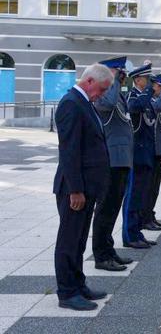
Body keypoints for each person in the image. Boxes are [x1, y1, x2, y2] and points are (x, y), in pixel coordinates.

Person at [53, 64, 113, 311]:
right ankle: (67, 292)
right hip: (74, 189)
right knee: (69, 241)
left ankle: (78, 285)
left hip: (87, 187)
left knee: (78, 240)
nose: (102, 94)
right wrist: (76, 189)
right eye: (102, 89)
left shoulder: (85, 103)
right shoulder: (71, 103)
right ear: (89, 81)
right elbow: (69, 151)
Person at [91, 56, 134, 271]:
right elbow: (107, 105)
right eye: (118, 71)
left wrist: (119, 84)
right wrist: (115, 82)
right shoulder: (101, 95)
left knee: (114, 208)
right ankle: (101, 255)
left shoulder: (116, 93)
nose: (122, 74)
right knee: (105, 208)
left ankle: (109, 249)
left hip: (121, 159)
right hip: (111, 160)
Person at [124, 63, 157, 249]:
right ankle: (130, 234)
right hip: (136, 152)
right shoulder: (132, 96)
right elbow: (137, 107)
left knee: (142, 194)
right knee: (133, 195)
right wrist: (149, 92)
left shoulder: (145, 96)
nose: (150, 82)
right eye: (147, 79)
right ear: (137, 79)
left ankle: (137, 232)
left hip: (146, 152)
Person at [141, 74, 161, 231]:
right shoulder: (151, 103)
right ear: (153, 87)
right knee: (149, 187)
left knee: (155, 188)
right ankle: (145, 217)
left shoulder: (158, 103)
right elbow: (157, 108)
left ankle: (150, 215)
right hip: (154, 151)